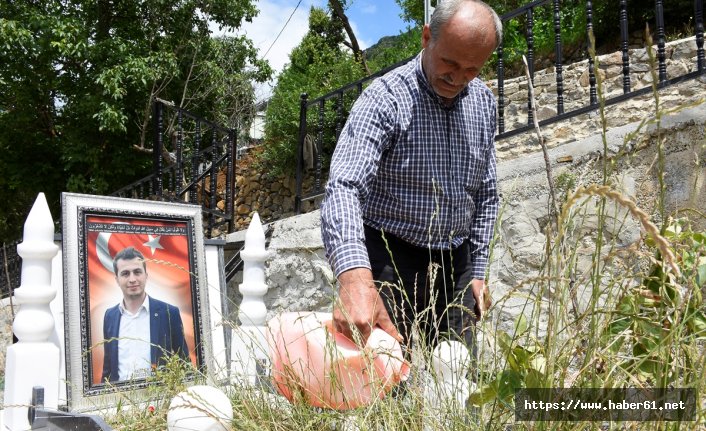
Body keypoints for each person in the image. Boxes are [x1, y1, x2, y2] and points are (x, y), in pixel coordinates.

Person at [321, 0, 502, 352]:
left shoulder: (484, 102)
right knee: (386, 373)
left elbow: (487, 192)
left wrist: (477, 270)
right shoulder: (385, 99)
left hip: (456, 258)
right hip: (389, 254)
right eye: (449, 62)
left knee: (459, 374)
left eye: (471, 69)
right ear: (426, 37)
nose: (457, 78)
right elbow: (344, 186)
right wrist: (355, 278)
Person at [101, 246, 189, 382]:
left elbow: (184, 364)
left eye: (137, 272)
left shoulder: (169, 313)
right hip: (119, 398)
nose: (132, 279)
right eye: (125, 274)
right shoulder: (110, 316)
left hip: (158, 398)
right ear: (117, 280)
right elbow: (108, 370)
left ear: (146, 276)